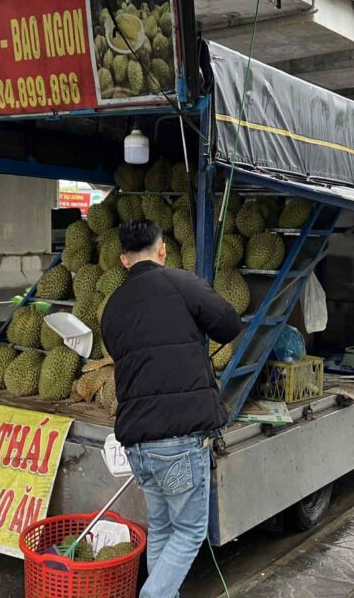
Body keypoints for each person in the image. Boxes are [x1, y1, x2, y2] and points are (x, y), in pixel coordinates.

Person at [101, 219, 242, 598]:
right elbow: (229, 324)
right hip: (179, 439)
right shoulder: (182, 283)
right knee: (190, 531)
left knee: (162, 529)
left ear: (123, 260)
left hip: (137, 444)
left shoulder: (112, 306)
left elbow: (121, 352)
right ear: (162, 250)